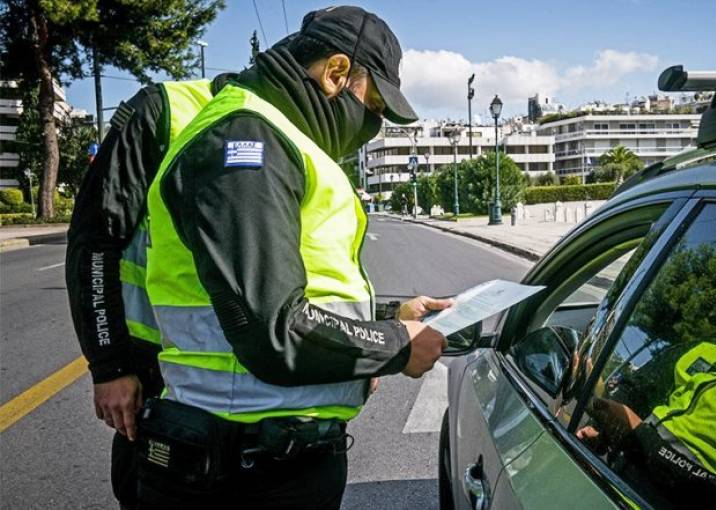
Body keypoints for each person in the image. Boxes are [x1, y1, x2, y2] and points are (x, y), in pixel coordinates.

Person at [136, 6, 450, 509]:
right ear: (336, 73)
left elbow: (296, 294)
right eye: (374, 106)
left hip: (270, 461)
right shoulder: (245, 141)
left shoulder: (278, 138)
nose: (373, 123)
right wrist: (395, 344)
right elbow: (275, 331)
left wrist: (393, 316)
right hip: (238, 473)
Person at [66, 71, 236, 508]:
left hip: (248, 375)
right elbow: (96, 240)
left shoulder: (297, 131)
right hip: (154, 371)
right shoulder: (164, 112)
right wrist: (109, 366)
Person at [577, 335, 716, 507]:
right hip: (608, 482)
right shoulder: (702, 350)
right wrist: (601, 428)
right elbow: (638, 387)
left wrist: (642, 440)